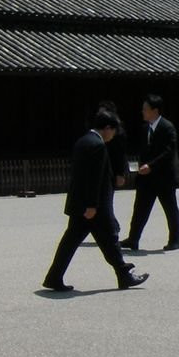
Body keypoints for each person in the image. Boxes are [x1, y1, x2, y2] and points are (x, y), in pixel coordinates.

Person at [42, 110, 149, 292]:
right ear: (107, 128)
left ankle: (54, 276)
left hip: (80, 203)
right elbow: (95, 180)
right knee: (109, 239)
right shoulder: (98, 146)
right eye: (113, 131)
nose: (113, 135)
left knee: (74, 242)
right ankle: (124, 274)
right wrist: (92, 205)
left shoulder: (83, 141)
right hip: (95, 206)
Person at [122, 93, 179, 252]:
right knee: (140, 208)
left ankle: (175, 239)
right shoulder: (145, 129)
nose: (143, 112)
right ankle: (133, 238)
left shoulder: (167, 127)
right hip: (147, 178)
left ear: (155, 111)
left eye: (145, 109)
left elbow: (169, 152)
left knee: (170, 208)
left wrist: (151, 166)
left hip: (164, 177)